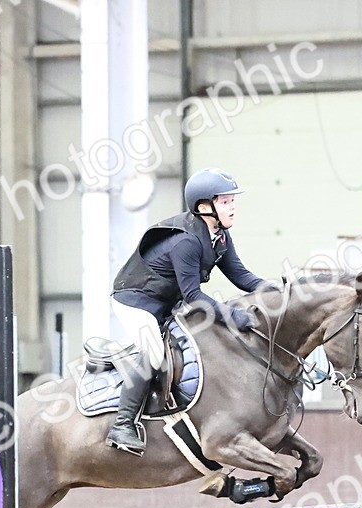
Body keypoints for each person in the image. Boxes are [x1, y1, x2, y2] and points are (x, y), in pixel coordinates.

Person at [105, 168, 275, 455]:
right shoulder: (186, 241)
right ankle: (123, 425)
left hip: (166, 303)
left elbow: (241, 276)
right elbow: (194, 297)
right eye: (225, 202)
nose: (232, 207)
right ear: (204, 206)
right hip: (135, 301)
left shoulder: (219, 237)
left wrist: (275, 290)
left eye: (232, 201)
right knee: (155, 353)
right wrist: (236, 317)